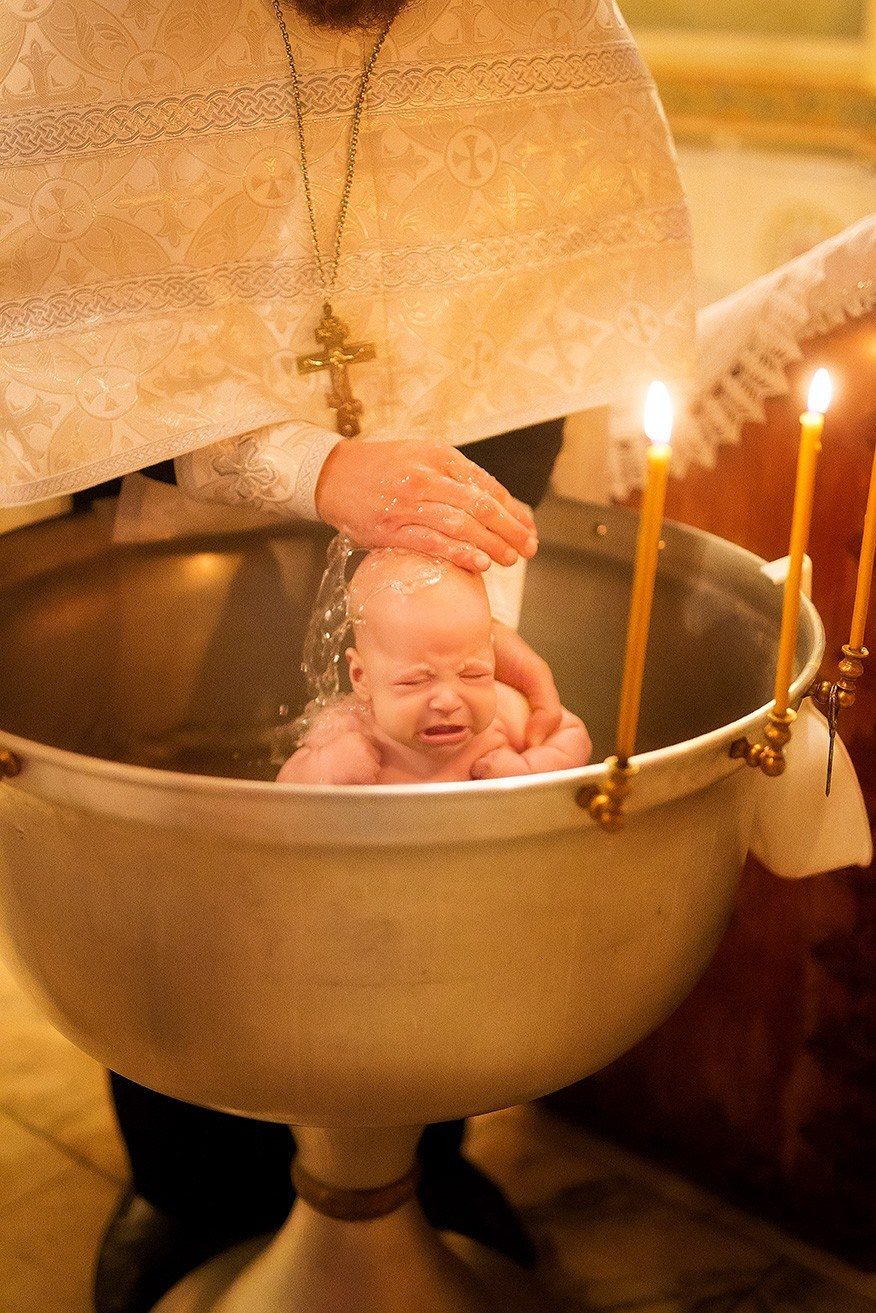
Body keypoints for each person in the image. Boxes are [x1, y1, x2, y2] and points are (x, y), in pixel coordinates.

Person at [0, 0, 694, 1307]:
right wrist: (308, 464)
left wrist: (454, 557)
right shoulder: (82, 23)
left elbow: (546, 316)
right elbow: (66, 342)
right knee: (184, 852)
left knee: (443, 826)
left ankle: (418, 1148)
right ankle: (192, 1180)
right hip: (174, 531)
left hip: (456, 486)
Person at [278, 548, 591, 784]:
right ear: (361, 678)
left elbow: (573, 736)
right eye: (414, 681)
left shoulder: (504, 714)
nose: (448, 701)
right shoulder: (351, 729)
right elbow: (284, 791)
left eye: (473, 674)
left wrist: (529, 770)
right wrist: (324, 770)